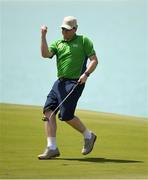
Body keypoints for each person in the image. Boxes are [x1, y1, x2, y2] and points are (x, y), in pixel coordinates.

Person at [38, 16, 98, 159]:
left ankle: (89, 136)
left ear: (75, 29)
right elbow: (45, 54)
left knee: (65, 116)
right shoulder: (58, 43)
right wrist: (43, 36)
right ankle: (52, 147)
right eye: (62, 29)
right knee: (48, 111)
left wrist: (86, 74)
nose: (64, 32)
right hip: (59, 83)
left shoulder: (83, 41)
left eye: (67, 30)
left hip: (75, 82)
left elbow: (94, 60)